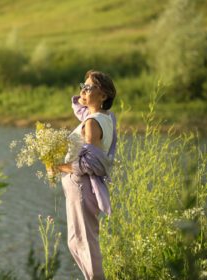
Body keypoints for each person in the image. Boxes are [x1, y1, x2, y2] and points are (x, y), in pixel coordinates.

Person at [55, 70, 117, 280]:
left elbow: (91, 163)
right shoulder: (104, 117)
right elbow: (78, 106)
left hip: (81, 187)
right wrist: (85, 94)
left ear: (104, 95)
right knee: (77, 241)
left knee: (84, 243)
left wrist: (59, 167)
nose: (83, 89)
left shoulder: (92, 122)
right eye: (83, 84)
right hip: (81, 188)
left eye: (89, 87)